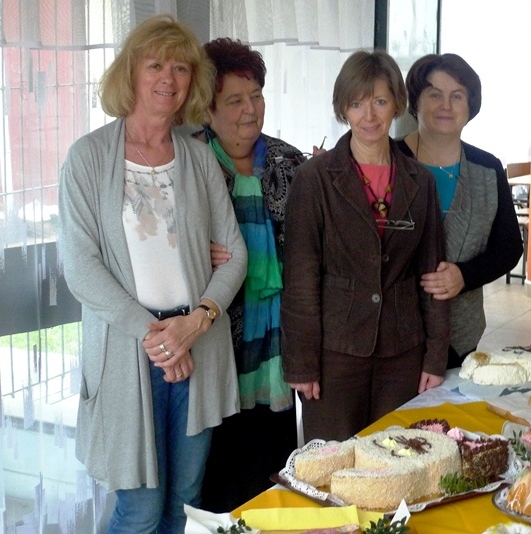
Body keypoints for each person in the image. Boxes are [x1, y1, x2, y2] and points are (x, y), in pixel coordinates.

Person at [58, 15, 247, 533]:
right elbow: (81, 268)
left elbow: (235, 254)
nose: (169, 77)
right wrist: (160, 339)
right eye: (155, 65)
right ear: (131, 73)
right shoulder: (88, 158)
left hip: (198, 344)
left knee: (184, 501)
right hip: (128, 351)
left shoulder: (199, 159)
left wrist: (196, 322)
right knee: (139, 510)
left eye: (181, 68)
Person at [280, 50, 450, 442]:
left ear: (396, 105)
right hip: (335, 352)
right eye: (357, 104)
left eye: (379, 102)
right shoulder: (314, 179)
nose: (369, 116)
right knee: (333, 464)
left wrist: (435, 356)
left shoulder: (420, 181)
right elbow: (301, 278)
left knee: (398, 459)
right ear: (343, 108)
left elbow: (433, 274)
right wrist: (302, 363)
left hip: (403, 350)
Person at [192, 38, 307, 512]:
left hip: (277, 349)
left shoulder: (291, 163)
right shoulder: (188, 164)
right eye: (234, 100)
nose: (250, 110)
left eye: (256, 96)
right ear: (207, 108)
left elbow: (312, 250)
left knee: (272, 476)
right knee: (216, 480)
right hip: (212, 346)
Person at [397, 53, 523, 369]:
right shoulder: (388, 159)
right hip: (393, 333)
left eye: (457, 96)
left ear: (470, 106)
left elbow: (509, 248)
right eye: (434, 94)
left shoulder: (488, 168)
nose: (446, 105)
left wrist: (464, 275)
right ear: (415, 101)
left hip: (461, 335)